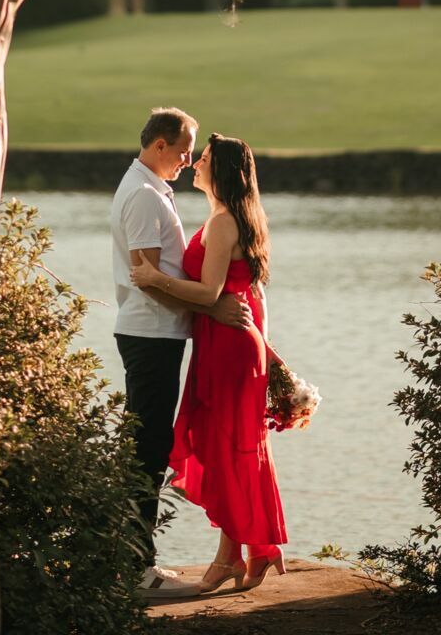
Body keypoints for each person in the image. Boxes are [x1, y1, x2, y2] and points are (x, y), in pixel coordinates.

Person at [129, 132, 287, 595]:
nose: (194, 163)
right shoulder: (237, 217)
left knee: (229, 447)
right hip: (231, 344)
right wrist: (269, 351)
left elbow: (210, 294)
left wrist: (155, 277)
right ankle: (246, 553)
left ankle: (228, 559)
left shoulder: (223, 224)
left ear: (221, 171)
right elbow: (251, 301)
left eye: (203, 159)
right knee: (233, 446)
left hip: (228, 349)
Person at [111, 108, 252, 596]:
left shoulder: (153, 190)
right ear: (160, 146)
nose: (190, 159)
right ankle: (136, 570)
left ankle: (138, 560)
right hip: (150, 334)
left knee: (149, 448)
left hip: (159, 335)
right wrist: (212, 312)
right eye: (186, 148)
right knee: (146, 450)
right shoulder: (146, 196)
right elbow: (147, 280)